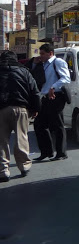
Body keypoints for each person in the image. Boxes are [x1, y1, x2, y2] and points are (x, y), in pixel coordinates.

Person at [0, 50, 42, 181]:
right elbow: (35, 92)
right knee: (21, 138)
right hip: (21, 109)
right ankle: (24, 166)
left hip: (1, 109)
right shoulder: (24, 72)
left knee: (1, 141)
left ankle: (3, 170)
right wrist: (35, 109)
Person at [33, 43, 71, 162]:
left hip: (56, 96)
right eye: (40, 54)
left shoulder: (58, 62)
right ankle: (46, 152)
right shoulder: (42, 65)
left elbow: (66, 78)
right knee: (39, 124)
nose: (41, 56)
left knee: (57, 125)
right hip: (44, 97)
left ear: (50, 53)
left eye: (43, 54)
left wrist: (53, 87)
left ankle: (61, 153)